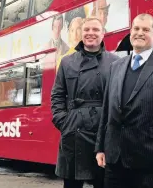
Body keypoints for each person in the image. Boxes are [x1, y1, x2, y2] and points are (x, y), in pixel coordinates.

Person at [95, 13, 153, 188]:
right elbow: (106, 111)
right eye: (136, 28)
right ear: (130, 33)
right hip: (115, 159)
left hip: (151, 161)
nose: (139, 33)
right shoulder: (116, 67)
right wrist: (100, 146)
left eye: (145, 29)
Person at [51, 17, 120, 188]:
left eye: (95, 30)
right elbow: (57, 95)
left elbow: (119, 97)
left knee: (103, 182)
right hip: (74, 130)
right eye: (87, 30)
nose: (90, 33)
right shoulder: (67, 62)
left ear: (103, 34)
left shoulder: (115, 61)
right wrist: (64, 122)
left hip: (103, 132)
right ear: (81, 34)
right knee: (72, 184)